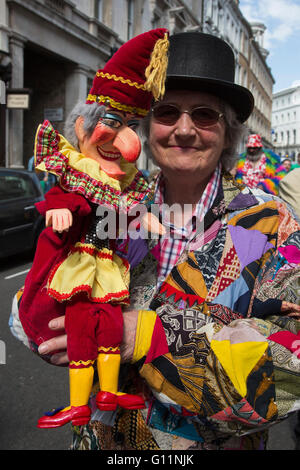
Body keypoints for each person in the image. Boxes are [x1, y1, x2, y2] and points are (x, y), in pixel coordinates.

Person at [10, 32, 300, 451]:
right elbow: (47, 286)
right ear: (146, 128)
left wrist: (146, 338)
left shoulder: (271, 224)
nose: (184, 130)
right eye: (167, 112)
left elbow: (288, 377)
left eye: (204, 115)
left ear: (228, 132)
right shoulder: (112, 206)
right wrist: (48, 323)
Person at [18, 28, 169, 428]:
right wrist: (58, 213)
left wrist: (143, 217)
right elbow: (62, 197)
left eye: (205, 114)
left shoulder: (129, 186)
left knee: (107, 325)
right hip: (84, 265)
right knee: (86, 324)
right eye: (169, 114)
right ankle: (79, 401)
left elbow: (125, 210)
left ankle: (107, 390)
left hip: (105, 267)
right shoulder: (79, 171)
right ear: (82, 126)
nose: (129, 143)